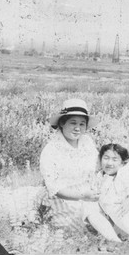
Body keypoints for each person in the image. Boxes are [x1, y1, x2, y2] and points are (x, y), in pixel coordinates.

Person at [40, 99, 111, 236]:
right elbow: (55, 189)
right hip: (64, 199)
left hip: (88, 192)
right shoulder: (51, 150)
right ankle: (115, 242)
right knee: (89, 209)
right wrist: (84, 196)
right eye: (73, 123)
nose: (77, 128)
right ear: (62, 123)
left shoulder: (87, 143)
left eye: (82, 124)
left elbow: (98, 168)